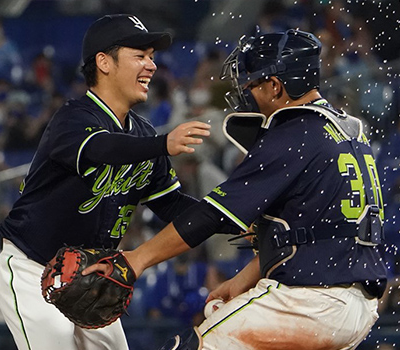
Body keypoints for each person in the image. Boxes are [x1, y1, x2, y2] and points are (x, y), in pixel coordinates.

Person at [88, 29, 388, 350]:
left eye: (252, 83)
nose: (245, 92)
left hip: (310, 301)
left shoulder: (294, 132)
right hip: (354, 305)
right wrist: (244, 278)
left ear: (275, 86)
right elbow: (316, 233)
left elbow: (212, 215)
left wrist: (136, 259)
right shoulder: (346, 130)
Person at [0, 14, 213, 350]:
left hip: (92, 276)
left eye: (152, 57)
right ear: (104, 62)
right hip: (32, 269)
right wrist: (162, 144)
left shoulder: (142, 133)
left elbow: (173, 205)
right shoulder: (72, 118)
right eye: (140, 56)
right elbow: (100, 148)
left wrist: (231, 218)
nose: (151, 65)